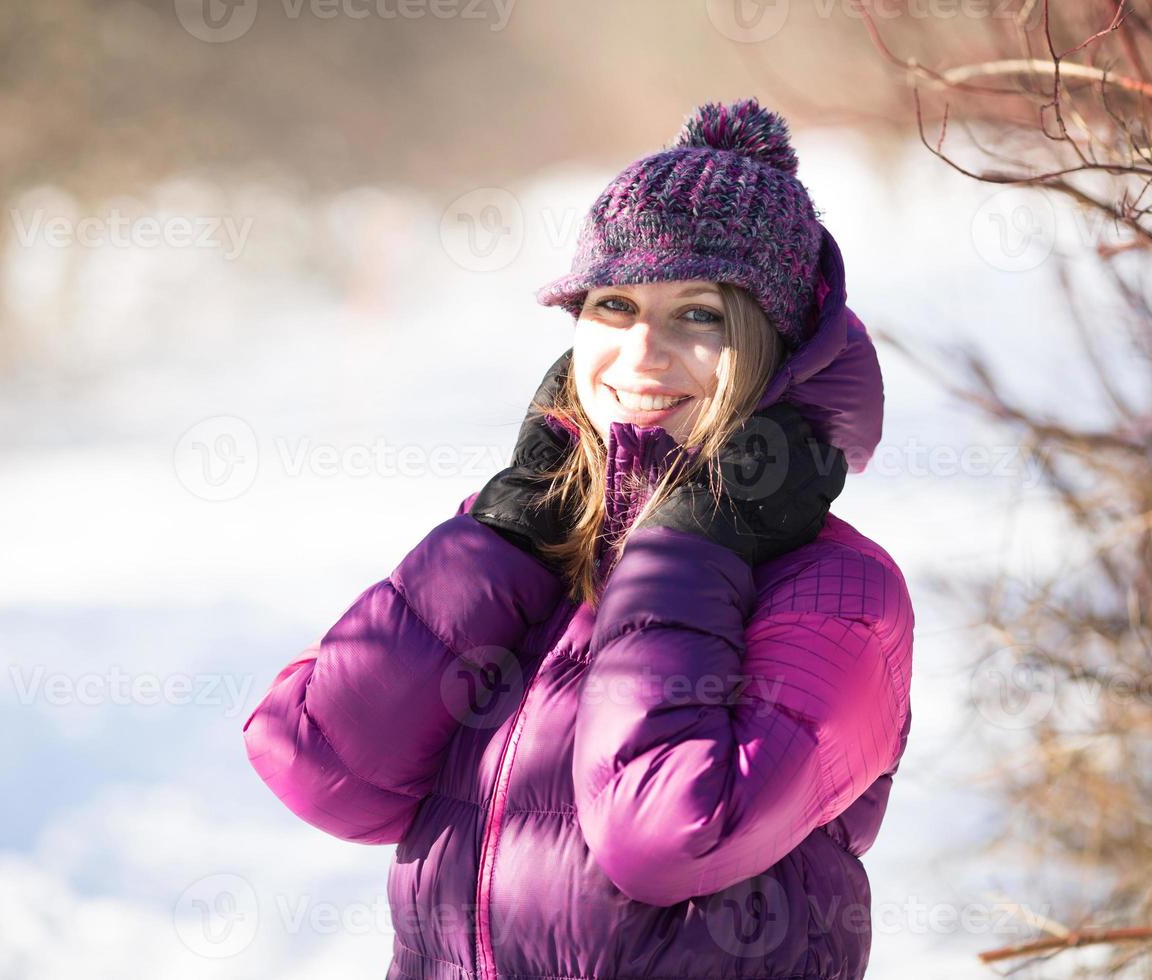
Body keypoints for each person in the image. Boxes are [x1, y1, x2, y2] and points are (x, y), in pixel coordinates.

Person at [243, 97, 916, 980]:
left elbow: (665, 833)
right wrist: (502, 533)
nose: (641, 351)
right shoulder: (537, 544)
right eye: (614, 304)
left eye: (701, 314)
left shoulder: (842, 594)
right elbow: (318, 762)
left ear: (774, 347)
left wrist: (692, 546)